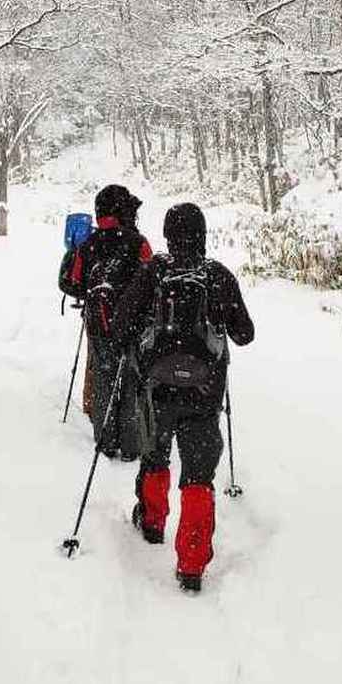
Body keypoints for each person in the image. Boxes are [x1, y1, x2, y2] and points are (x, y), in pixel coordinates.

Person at [112, 203, 254, 593]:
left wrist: (140, 344)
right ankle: (191, 563)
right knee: (198, 476)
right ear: (203, 235)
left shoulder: (154, 271)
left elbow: (120, 325)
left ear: (168, 235)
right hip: (205, 395)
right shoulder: (217, 276)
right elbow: (245, 333)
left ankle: (153, 523)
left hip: (158, 389)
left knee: (155, 456)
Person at [58, 184, 152, 458]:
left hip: (99, 326)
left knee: (103, 380)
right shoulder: (138, 243)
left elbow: (73, 284)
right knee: (133, 381)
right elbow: (153, 279)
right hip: (134, 327)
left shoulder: (88, 245)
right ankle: (132, 444)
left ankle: (106, 441)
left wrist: (73, 251)